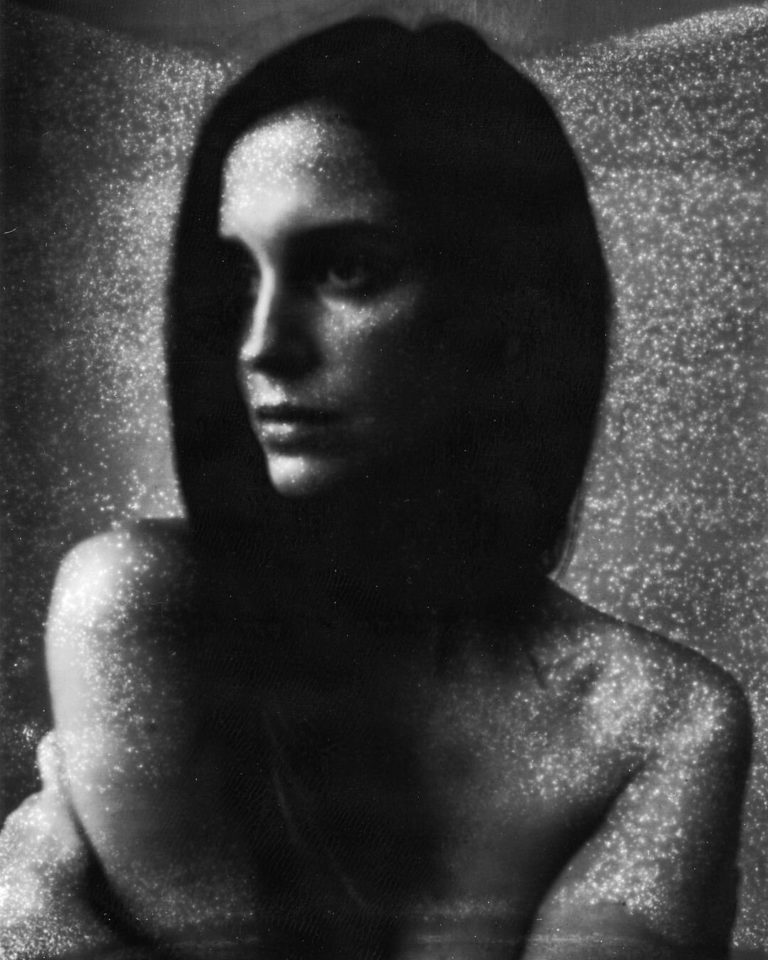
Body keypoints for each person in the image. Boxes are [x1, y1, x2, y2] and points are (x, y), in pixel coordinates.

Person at [0, 16, 752, 960]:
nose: (262, 346)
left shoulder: (662, 723)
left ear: (504, 305)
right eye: (238, 278)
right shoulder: (140, 610)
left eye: (345, 268)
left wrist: (40, 923)